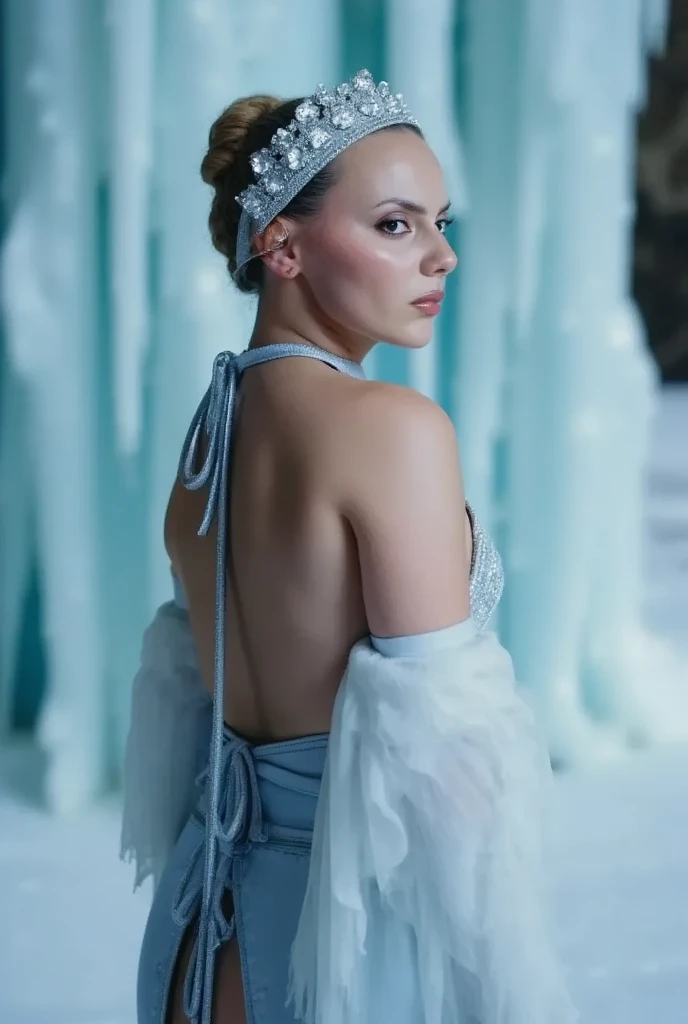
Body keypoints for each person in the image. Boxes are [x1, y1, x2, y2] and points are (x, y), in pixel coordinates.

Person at [121, 70, 577, 1024]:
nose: (443, 258)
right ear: (281, 246)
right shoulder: (391, 428)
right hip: (345, 941)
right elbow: (441, 757)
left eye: (443, 223)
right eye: (398, 225)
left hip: (199, 932)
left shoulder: (213, 427)